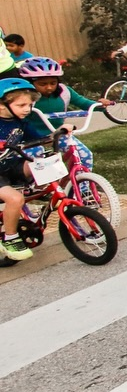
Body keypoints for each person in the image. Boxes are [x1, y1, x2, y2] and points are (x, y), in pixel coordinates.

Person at [0, 78, 58, 261]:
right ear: (2, 105)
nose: (27, 108)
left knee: (44, 162)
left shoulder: (21, 122)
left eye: (30, 104)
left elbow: (42, 138)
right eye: (21, 104)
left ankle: (53, 191)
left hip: (11, 166)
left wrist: (59, 132)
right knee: (15, 199)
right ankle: (9, 238)